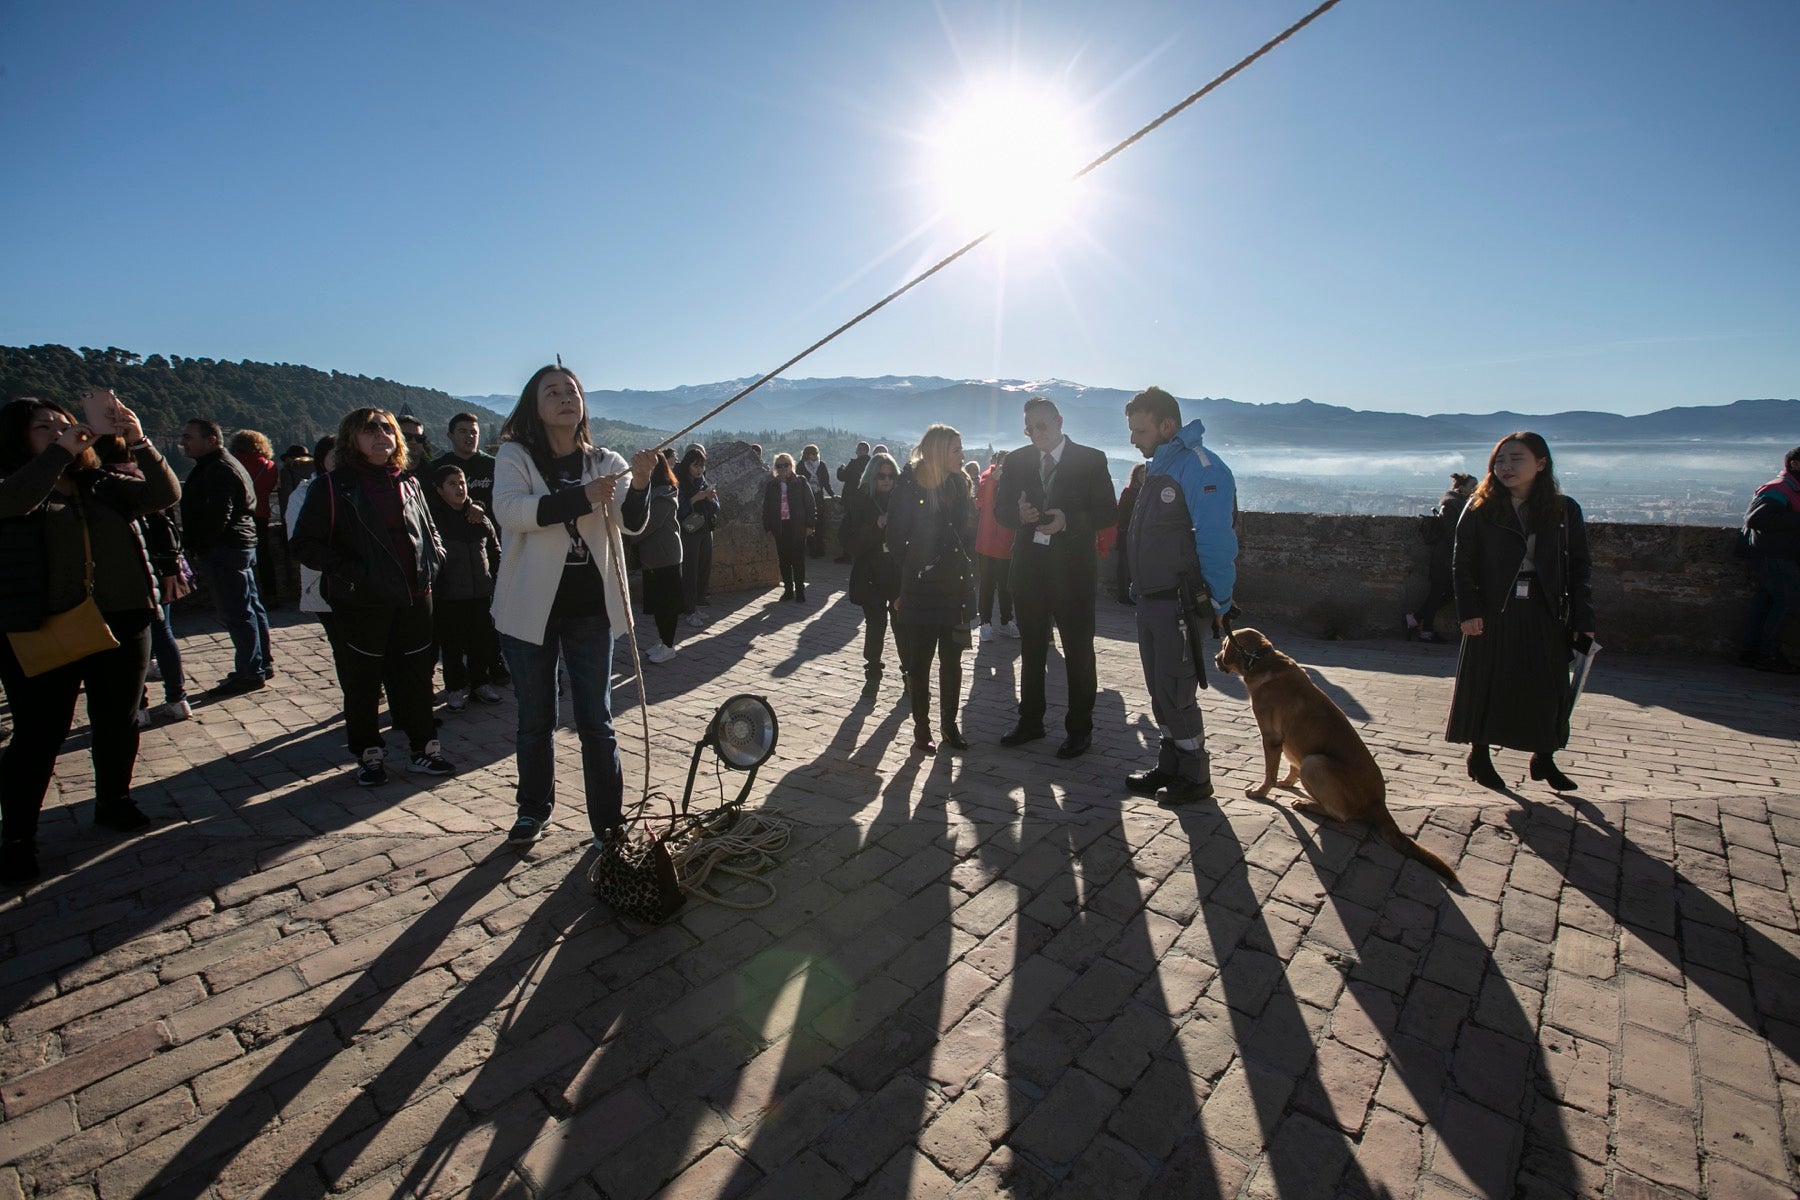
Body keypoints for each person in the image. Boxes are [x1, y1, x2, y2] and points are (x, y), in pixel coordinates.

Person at [0, 394, 180, 883]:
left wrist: (138, 438)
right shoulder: (15, 486)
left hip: (124, 618)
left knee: (118, 719)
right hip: (45, 624)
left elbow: (163, 495)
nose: (62, 430)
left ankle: (113, 800)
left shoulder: (98, 482)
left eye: (67, 422)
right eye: (45, 427)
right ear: (19, 437)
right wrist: (62, 449)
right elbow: (15, 501)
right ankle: (16, 837)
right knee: (39, 734)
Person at [489, 364, 657, 849]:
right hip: (528, 610)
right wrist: (579, 499)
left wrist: (641, 483)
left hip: (589, 612)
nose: (565, 397)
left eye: (572, 390)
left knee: (597, 722)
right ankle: (532, 811)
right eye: (553, 391)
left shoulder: (605, 460)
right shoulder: (515, 456)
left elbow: (631, 524)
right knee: (535, 719)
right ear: (535, 405)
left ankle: (608, 822)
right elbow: (512, 512)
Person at [289, 407, 455, 786]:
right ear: (352, 438)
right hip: (363, 601)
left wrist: (434, 562)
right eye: (370, 429)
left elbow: (431, 532)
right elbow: (304, 545)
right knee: (363, 681)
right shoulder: (333, 487)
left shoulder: (409, 483)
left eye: (387, 428)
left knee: (416, 677)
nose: (381, 435)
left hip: (415, 596)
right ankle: (369, 755)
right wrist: (357, 574)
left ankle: (424, 750)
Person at [1445, 431, 1595, 793]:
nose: (1505, 467)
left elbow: (1579, 567)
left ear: (1540, 464)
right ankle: (1479, 756)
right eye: (1500, 460)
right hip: (1495, 607)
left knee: (1548, 685)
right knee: (1488, 682)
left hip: (1544, 608)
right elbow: (1461, 564)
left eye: (1516, 459)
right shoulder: (1481, 508)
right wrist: (1468, 611)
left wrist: (1584, 621)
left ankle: (1545, 757)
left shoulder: (1563, 510)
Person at [1121, 387, 1238, 806]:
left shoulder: (1200, 468)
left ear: (1166, 426)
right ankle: (1170, 764)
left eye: (1140, 429)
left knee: (1177, 690)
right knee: (1159, 689)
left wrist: (1219, 603)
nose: (1133, 439)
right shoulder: (1162, 466)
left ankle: (1195, 774)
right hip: (1152, 601)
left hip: (1179, 603)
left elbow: (1216, 541)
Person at [993, 396, 1118, 757]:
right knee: (1031, 648)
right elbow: (1000, 510)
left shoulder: (1091, 460)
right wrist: (1018, 514)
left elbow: (1108, 512)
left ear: (1060, 421)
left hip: (1073, 573)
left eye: (1042, 425)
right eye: (1030, 428)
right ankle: (1030, 721)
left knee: (1079, 652)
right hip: (1029, 570)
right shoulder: (1016, 460)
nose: (1036, 434)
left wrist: (1069, 521)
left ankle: (1080, 728)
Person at [887, 426, 977, 755]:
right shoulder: (909, 487)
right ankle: (921, 726)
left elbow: (968, 536)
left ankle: (949, 724)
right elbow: (896, 538)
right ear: (939, 452)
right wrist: (918, 565)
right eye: (956, 449)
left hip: (956, 589)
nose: (962, 455)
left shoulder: (961, 484)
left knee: (952, 660)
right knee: (920, 661)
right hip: (922, 589)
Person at [178, 418, 273, 695]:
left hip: (225, 547)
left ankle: (250, 671)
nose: (183, 442)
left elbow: (218, 514)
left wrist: (198, 543)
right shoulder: (222, 464)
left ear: (210, 440)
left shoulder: (218, 469)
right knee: (250, 607)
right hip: (238, 544)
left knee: (238, 612)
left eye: (189, 437)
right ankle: (260, 663)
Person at [426, 463, 503, 709]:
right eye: (451, 484)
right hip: (449, 595)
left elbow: (494, 550)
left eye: (461, 483)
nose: (459, 488)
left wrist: (495, 578)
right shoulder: (434, 520)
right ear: (439, 490)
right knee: (452, 646)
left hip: (480, 593)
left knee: (481, 641)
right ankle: (456, 687)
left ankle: (480, 683)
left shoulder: (478, 517)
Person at [842, 450, 904, 704]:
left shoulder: (903, 502)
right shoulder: (860, 503)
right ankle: (873, 674)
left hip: (898, 572)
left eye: (890, 475)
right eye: (881, 476)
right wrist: (875, 527)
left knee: (903, 627)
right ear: (872, 477)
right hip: (871, 573)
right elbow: (849, 542)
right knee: (875, 626)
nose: (886, 480)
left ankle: (909, 673)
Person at [1736, 447, 1800, 673]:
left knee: (1766, 603)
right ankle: (1766, 655)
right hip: (1775, 555)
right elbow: (1756, 518)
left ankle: (1750, 652)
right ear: (1795, 464)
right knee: (1788, 602)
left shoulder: (1790, 489)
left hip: (1776, 554)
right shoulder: (1778, 489)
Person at [1405, 472, 1478, 643]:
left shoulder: (1458, 505)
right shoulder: (1452, 506)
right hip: (1445, 558)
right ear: (1461, 488)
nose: (1475, 489)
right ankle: (1425, 629)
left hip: (1446, 557)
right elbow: (1453, 534)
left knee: (1441, 594)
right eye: (1472, 486)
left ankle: (1416, 620)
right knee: (1439, 593)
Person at [629, 451, 684, 664]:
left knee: (667, 605)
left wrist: (629, 536)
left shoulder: (664, 495)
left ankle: (669, 645)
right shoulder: (652, 492)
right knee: (658, 604)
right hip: (653, 557)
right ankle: (663, 641)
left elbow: (648, 526)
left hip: (665, 556)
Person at [287, 435, 337, 637]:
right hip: (323, 582)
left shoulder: (356, 489)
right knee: (341, 644)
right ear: (321, 458)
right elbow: (300, 542)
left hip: (359, 587)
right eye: (336, 455)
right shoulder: (303, 494)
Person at [230, 429, 283, 608]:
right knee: (264, 556)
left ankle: (246, 597)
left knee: (240, 558)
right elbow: (269, 488)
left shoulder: (234, 463)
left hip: (239, 515)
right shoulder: (269, 465)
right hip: (261, 513)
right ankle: (272, 595)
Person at [974, 449, 1018, 642]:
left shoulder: (1015, 481)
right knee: (987, 584)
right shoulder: (987, 477)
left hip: (1007, 541)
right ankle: (985, 623)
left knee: (1006, 586)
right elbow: (981, 501)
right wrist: (993, 479)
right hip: (988, 541)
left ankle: (1006, 621)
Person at [676, 445, 720, 628]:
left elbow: (717, 506)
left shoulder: (702, 481)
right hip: (689, 532)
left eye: (701, 466)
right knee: (690, 570)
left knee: (703, 568)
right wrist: (698, 497)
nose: (699, 470)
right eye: (695, 466)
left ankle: (698, 604)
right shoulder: (679, 483)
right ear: (688, 465)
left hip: (704, 529)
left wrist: (709, 498)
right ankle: (689, 609)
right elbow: (681, 509)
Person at [762, 453, 816, 602]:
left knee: (798, 561)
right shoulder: (772, 485)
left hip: (797, 526)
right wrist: (768, 528)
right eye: (779, 466)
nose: (783, 468)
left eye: (785, 465)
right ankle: (788, 590)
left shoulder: (801, 481)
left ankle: (800, 591)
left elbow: (810, 505)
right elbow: (766, 508)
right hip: (780, 527)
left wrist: (810, 525)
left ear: (791, 466)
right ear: (775, 468)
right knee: (784, 561)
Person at [1112, 462, 1147, 604]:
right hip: (1127, 535)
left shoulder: (1149, 492)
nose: (1144, 476)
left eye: (1146, 473)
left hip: (1143, 537)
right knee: (1125, 568)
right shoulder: (1128, 493)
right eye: (1141, 473)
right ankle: (1123, 596)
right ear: (1136, 476)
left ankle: (1135, 595)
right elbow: (1121, 515)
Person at [799, 444, 833, 557]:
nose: (815, 455)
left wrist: (832, 495)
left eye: (816, 453)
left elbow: (826, 482)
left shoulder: (821, 465)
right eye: (813, 453)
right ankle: (812, 549)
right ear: (807, 454)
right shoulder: (801, 466)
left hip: (818, 497)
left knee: (820, 523)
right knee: (809, 523)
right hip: (805, 498)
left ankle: (820, 548)